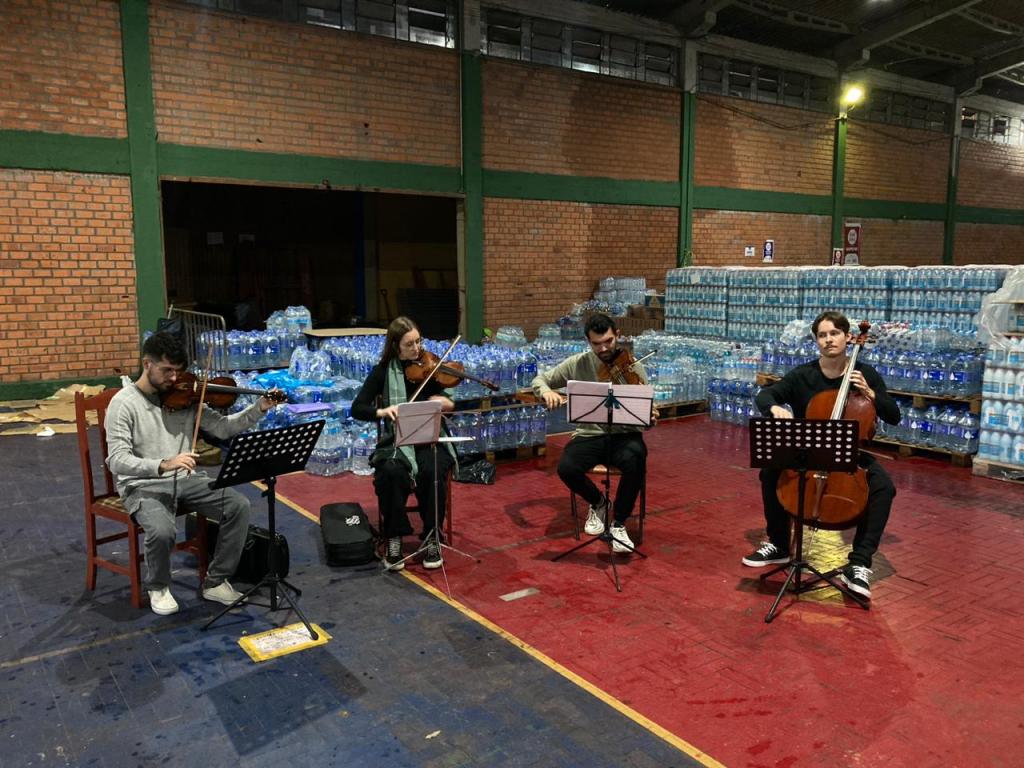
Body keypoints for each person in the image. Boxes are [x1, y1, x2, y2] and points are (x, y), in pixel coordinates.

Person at [105, 332, 279, 616]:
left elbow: (223, 428)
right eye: (167, 371)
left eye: (178, 371)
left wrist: (258, 409)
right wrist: (163, 463)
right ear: (146, 364)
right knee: (162, 530)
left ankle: (216, 580)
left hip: (185, 480)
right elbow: (117, 460)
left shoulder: (186, 398)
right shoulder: (124, 403)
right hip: (142, 484)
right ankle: (158, 586)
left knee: (238, 505)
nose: (174, 379)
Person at [742, 311, 900, 599]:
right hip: (810, 451)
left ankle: (860, 563)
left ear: (848, 337)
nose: (829, 340)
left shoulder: (865, 375)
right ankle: (779, 543)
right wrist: (775, 408)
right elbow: (766, 394)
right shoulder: (804, 375)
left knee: (883, 488)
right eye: (823, 335)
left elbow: (894, 415)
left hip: (849, 454)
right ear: (816, 341)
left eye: (835, 333)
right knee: (770, 471)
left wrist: (872, 394)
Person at [531, 313, 651, 553]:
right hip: (589, 434)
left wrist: (650, 415)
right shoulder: (579, 363)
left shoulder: (633, 365)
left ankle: (619, 523)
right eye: (597, 344)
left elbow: (645, 411)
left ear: (617, 335)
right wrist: (546, 392)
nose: (604, 348)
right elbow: (541, 379)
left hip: (624, 435)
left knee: (636, 459)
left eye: (608, 341)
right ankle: (598, 502)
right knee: (566, 467)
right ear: (588, 341)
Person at [351, 317, 456, 571]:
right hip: (396, 441)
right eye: (409, 344)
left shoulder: (430, 368)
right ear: (395, 346)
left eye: (419, 341)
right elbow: (358, 408)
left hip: (429, 439)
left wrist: (445, 404)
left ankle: (432, 536)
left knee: (433, 469)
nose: (417, 349)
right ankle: (394, 537)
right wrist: (384, 411)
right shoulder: (383, 371)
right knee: (391, 472)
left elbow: (452, 405)